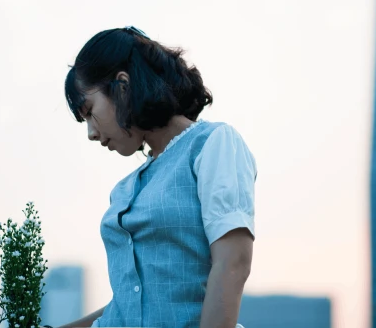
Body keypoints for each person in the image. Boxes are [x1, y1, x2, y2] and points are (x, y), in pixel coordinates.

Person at [53, 26, 257, 328]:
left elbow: (233, 264)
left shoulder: (212, 145)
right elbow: (129, 305)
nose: (91, 133)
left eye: (90, 111)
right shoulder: (124, 189)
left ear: (123, 86)